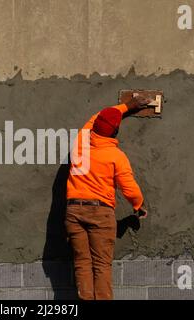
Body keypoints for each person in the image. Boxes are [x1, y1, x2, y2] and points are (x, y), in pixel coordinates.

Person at [65, 95, 151, 300]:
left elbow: (96, 117)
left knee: (82, 263)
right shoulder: (116, 156)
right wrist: (138, 206)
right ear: (115, 131)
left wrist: (126, 106)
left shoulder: (80, 142)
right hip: (100, 212)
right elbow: (130, 189)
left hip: (73, 212)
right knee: (101, 265)